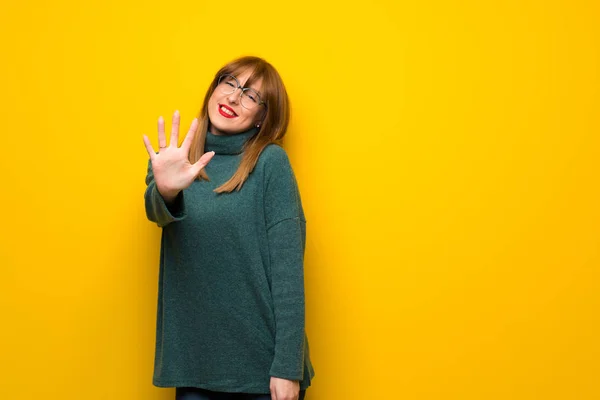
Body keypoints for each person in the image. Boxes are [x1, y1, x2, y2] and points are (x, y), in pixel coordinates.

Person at [142, 56, 315, 400]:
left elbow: (288, 273)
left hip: (262, 371)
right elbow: (157, 213)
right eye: (230, 83)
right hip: (194, 368)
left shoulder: (270, 163)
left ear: (263, 117)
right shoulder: (174, 159)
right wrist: (166, 188)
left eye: (252, 95)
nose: (234, 97)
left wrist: (287, 367)